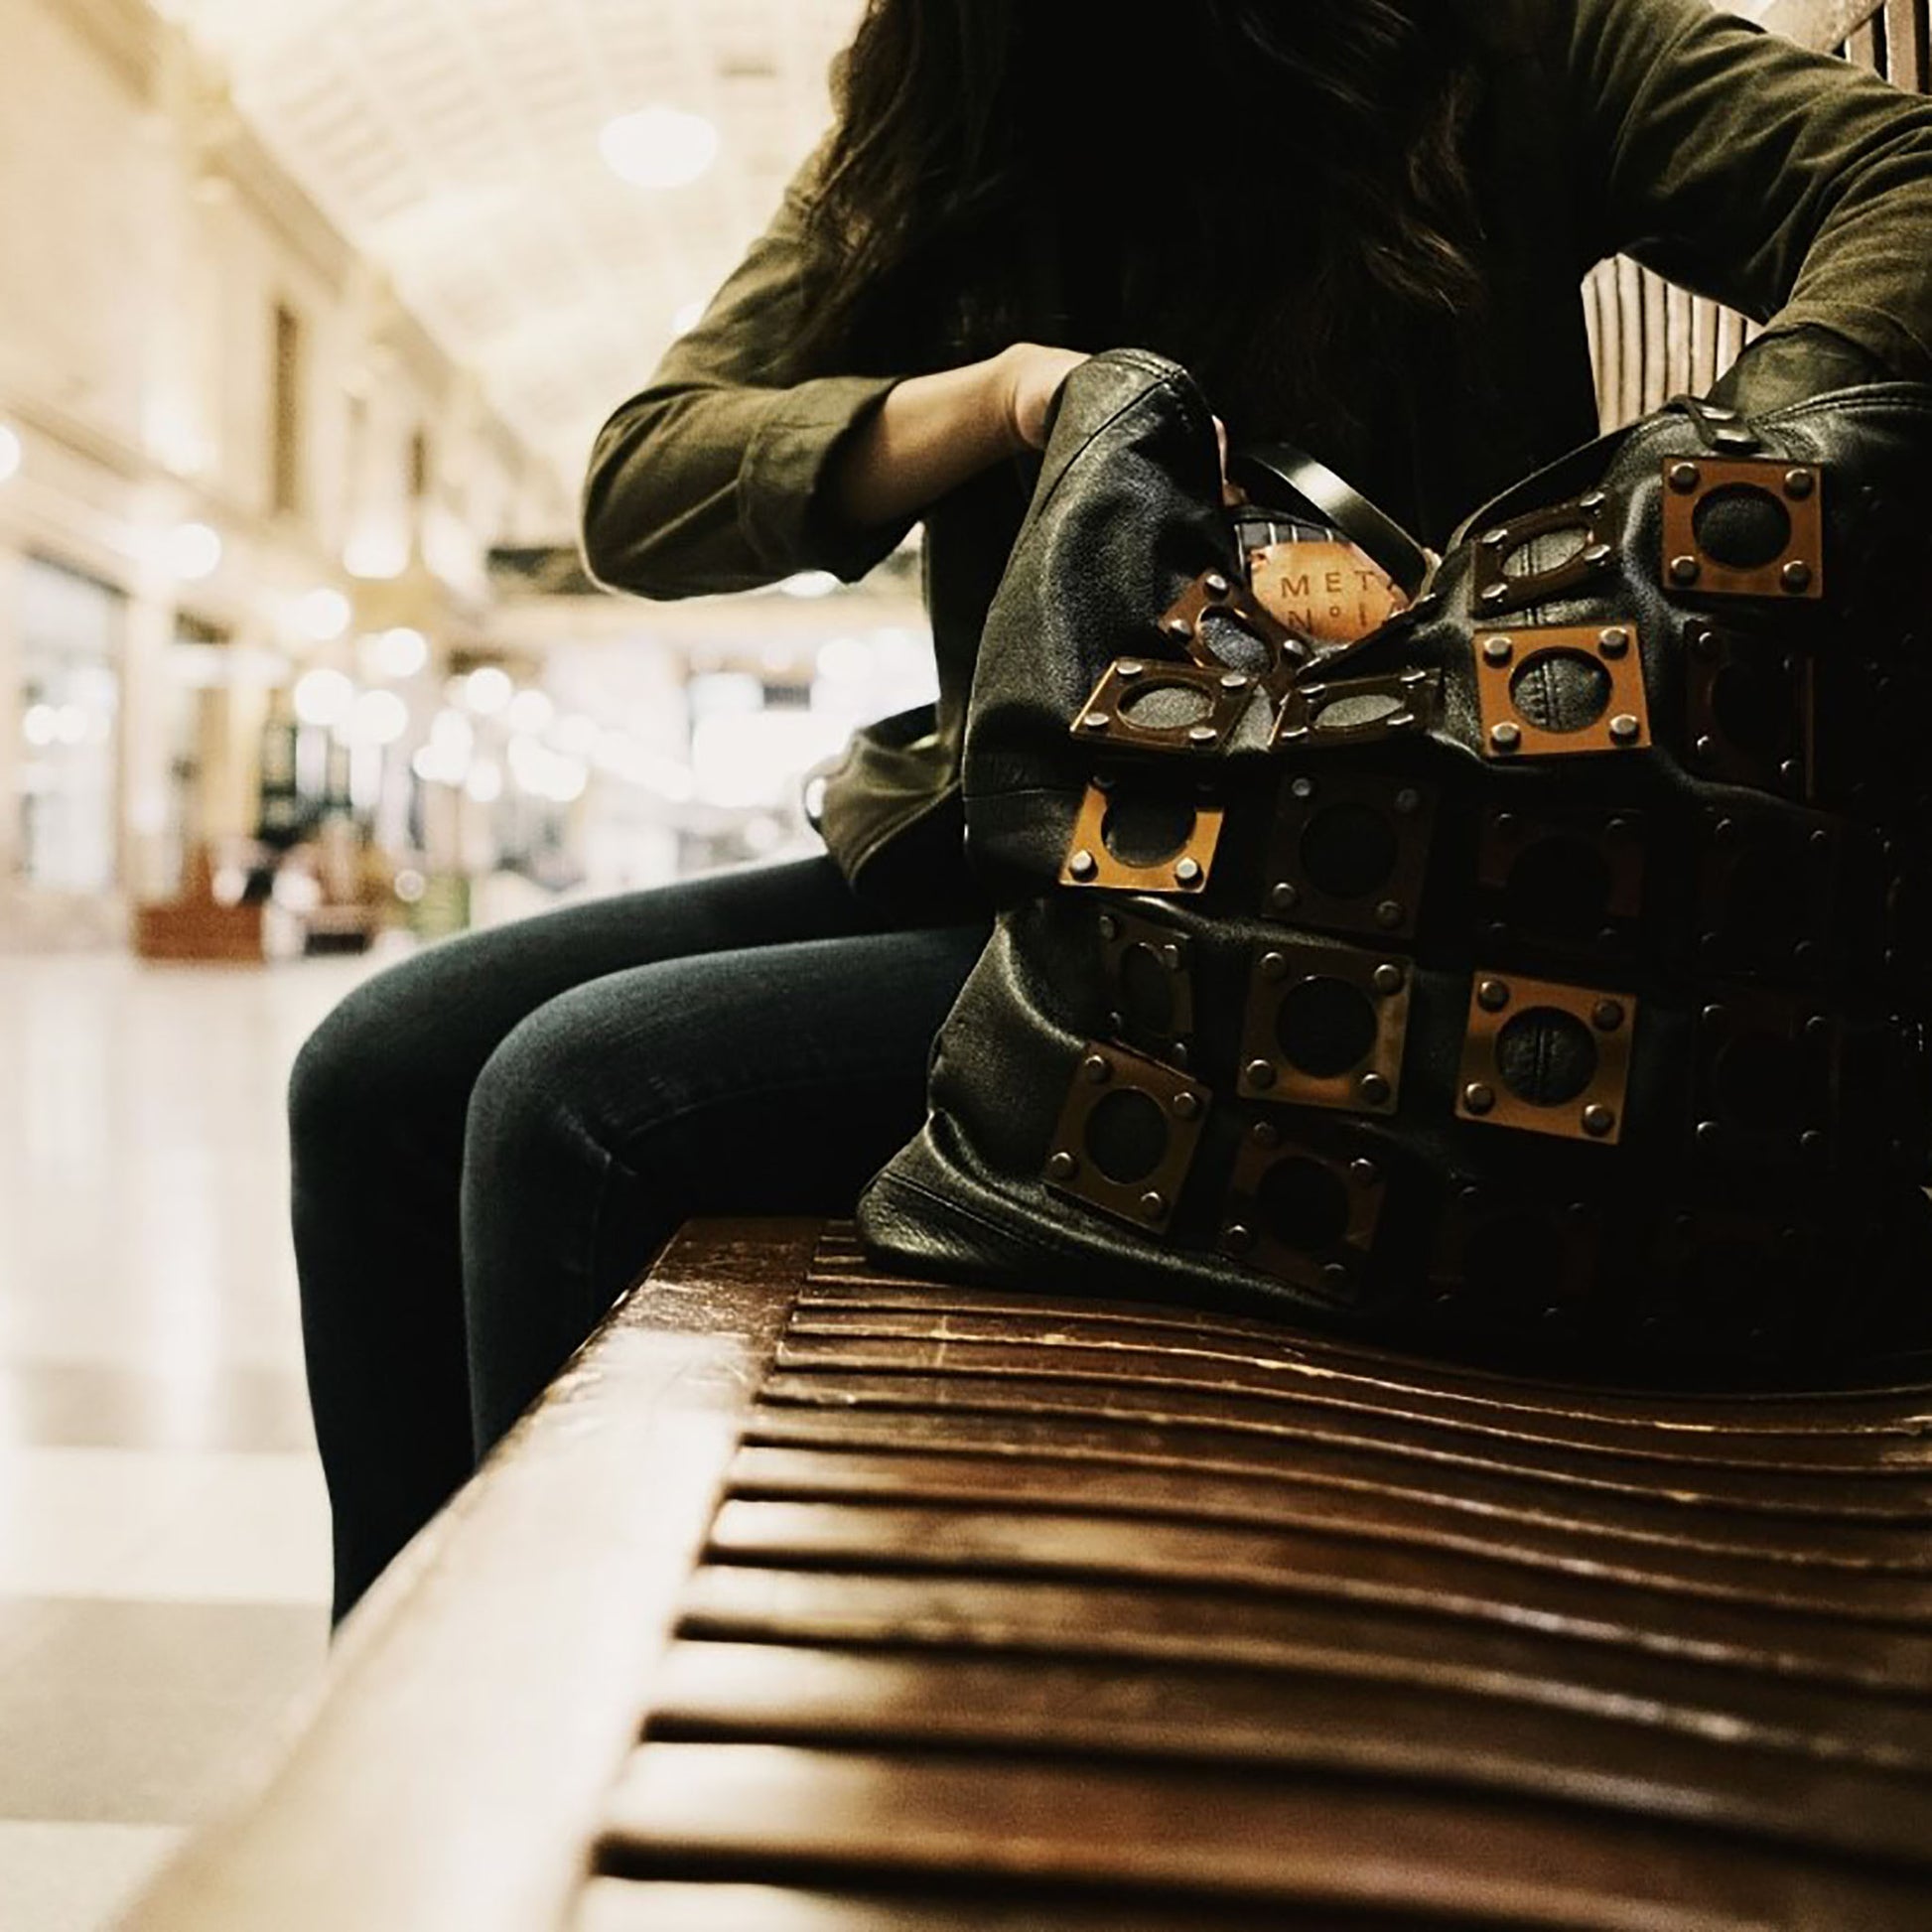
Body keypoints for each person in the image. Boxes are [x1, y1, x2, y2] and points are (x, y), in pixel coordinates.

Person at [291, 0, 1932, 1622]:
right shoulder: (949, 104)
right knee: (377, 1068)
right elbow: (642, 481)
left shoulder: (1514, 41)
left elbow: (1903, 182)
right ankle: (395, 1722)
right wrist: (1003, 398)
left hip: (1366, 911)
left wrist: (1662, 512)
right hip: (1017, 859)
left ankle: (544, 1728)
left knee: (570, 1097)